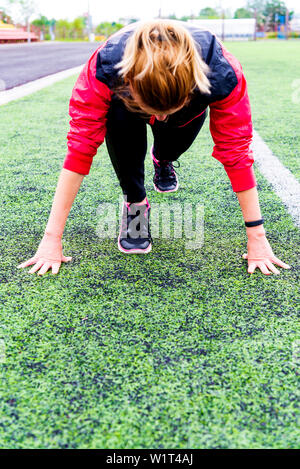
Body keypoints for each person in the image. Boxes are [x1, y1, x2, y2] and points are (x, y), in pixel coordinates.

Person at [18, 20, 291, 276]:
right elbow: (80, 147)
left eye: (165, 110)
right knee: (118, 117)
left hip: (188, 109)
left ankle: (163, 159)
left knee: (170, 145)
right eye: (153, 110)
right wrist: (51, 238)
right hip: (125, 106)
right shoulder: (106, 67)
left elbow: (236, 152)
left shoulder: (221, 72)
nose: (158, 119)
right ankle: (136, 203)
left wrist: (257, 237)